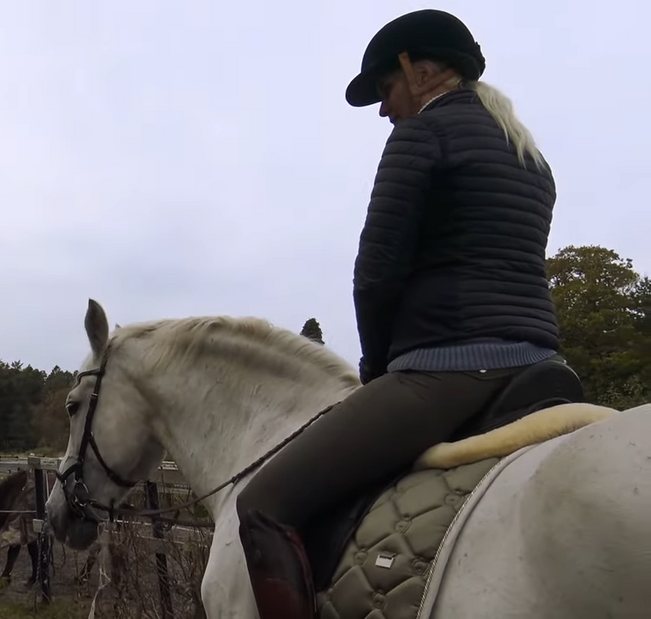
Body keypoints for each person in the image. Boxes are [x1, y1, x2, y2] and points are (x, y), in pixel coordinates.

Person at [234, 10, 561, 619]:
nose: (384, 109)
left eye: (385, 89)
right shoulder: (531, 160)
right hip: (541, 366)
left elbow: (376, 272)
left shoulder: (420, 136)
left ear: (419, 68)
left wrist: (378, 368)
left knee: (263, 503)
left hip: (450, 370)